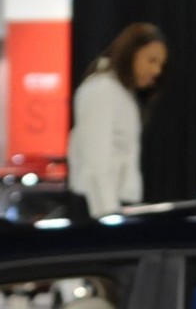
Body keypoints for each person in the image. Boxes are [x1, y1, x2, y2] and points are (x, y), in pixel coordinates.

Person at [66, 22, 165, 212]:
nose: (157, 71)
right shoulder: (101, 90)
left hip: (114, 205)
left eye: (160, 64)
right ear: (131, 53)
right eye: (151, 60)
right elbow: (95, 163)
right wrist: (108, 218)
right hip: (99, 207)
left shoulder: (121, 93)